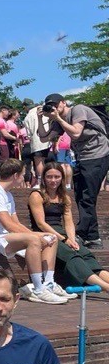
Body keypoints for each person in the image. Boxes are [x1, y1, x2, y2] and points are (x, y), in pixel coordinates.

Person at [0, 159, 70, 305]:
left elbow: (16, 224)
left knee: (51, 237)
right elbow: (8, 224)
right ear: (15, 175)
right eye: (23, 174)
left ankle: (48, 284)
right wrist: (34, 236)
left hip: (4, 235)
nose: (24, 177)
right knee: (33, 240)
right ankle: (38, 289)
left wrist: (41, 235)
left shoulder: (8, 194)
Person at [29, 161, 109, 293]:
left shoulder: (64, 197)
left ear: (62, 178)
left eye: (57, 177)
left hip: (62, 233)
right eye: (49, 177)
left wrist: (72, 239)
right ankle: (106, 288)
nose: (53, 180)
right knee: (72, 256)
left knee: (85, 254)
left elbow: (69, 222)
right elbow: (41, 223)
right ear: (43, 178)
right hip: (45, 233)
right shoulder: (37, 195)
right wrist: (64, 239)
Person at [44, 92, 109, 248]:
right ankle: (93, 237)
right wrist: (42, 119)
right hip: (82, 158)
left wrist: (58, 119)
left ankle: (82, 233)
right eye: (50, 106)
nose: (53, 108)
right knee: (80, 196)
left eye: (55, 104)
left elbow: (76, 132)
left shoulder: (78, 109)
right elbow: (44, 138)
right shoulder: (58, 120)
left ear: (63, 103)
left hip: (98, 154)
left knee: (87, 196)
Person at [23, 101, 54, 185]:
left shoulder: (28, 116)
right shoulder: (44, 112)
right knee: (46, 162)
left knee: (39, 161)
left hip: (37, 141)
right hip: (48, 139)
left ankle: (41, 182)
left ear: (26, 107)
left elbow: (29, 133)